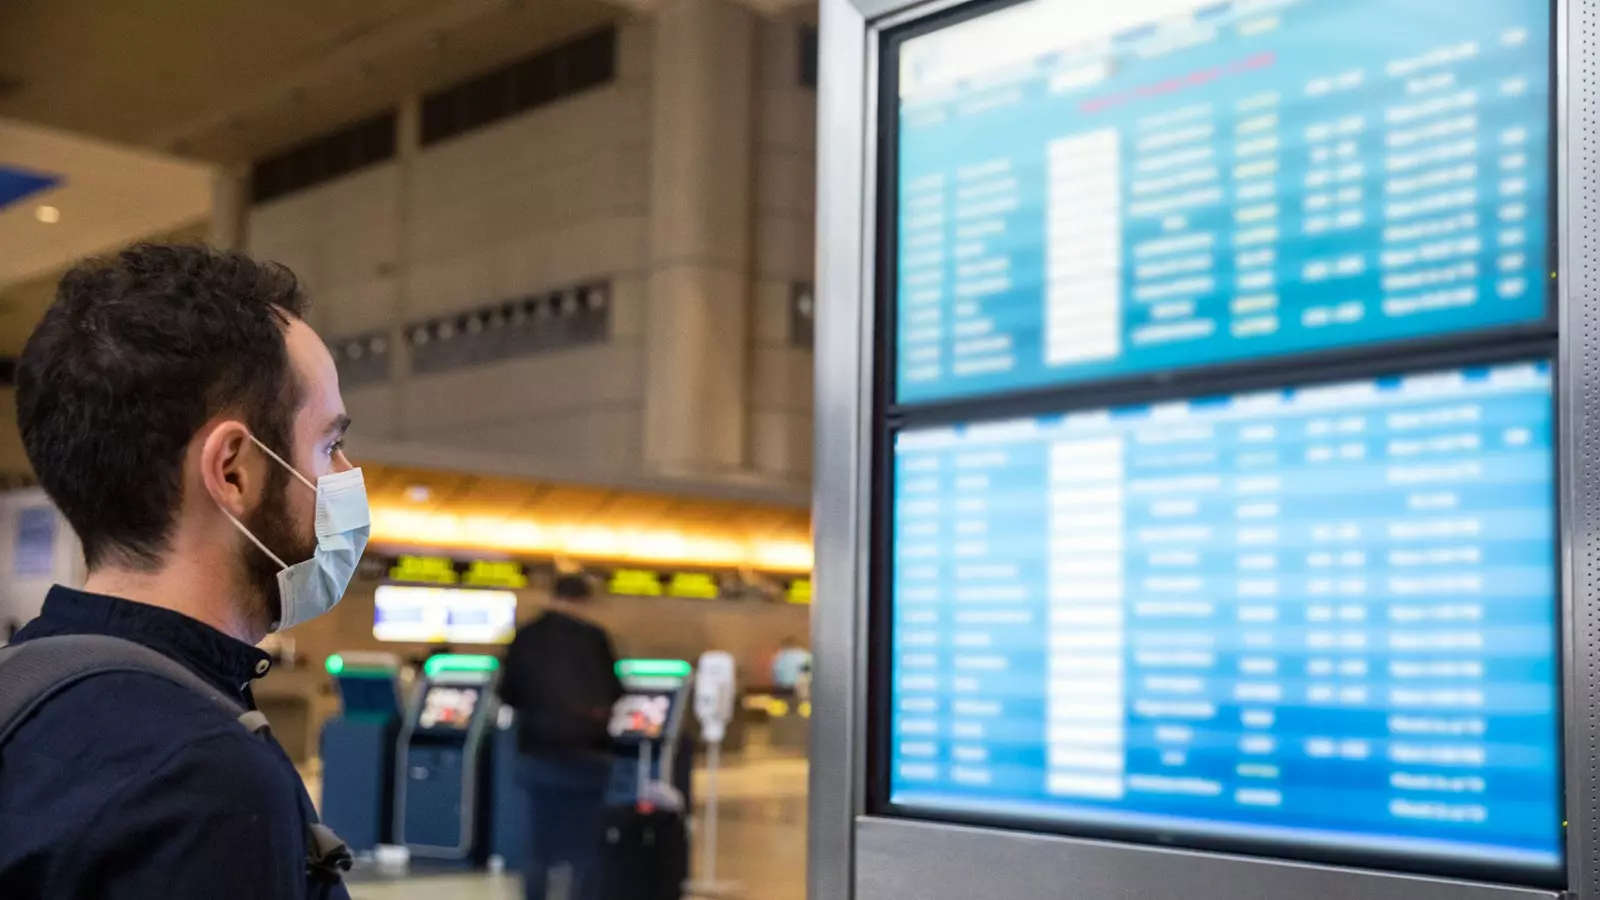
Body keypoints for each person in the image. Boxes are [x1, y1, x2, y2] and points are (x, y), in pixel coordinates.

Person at [0, 244, 365, 899]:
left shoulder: (22, 689)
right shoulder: (203, 777)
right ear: (233, 470)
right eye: (330, 445)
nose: (344, 478)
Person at [498, 574, 624, 900]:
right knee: (585, 846)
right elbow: (614, 691)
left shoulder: (526, 637)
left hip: (540, 755)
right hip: (589, 758)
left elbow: (508, 693)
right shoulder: (595, 639)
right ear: (584, 601)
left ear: (551, 596)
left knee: (541, 847)